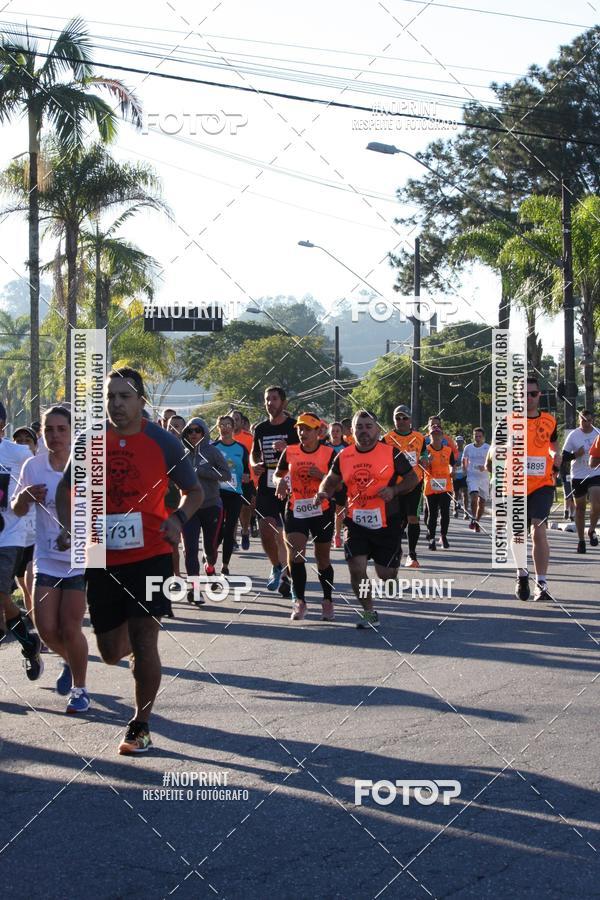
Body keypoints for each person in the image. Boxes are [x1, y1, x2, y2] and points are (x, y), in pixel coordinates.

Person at [56, 368, 203, 754]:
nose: (117, 404)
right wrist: (71, 529)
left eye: (125, 396)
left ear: (141, 401)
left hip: (151, 554)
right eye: (111, 397)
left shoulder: (164, 443)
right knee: (108, 651)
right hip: (101, 553)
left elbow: (194, 491)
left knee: (144, 639)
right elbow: (66, 490)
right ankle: (133, 650)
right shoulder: (90, 442)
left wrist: (178, 519)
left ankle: (140, 724)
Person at [13, 407, 90, 713]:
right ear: (42, 432)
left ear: (71, 431)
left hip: (79, 558)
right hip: (46, 557)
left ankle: (80, 690)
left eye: (61, 429)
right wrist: (26, 497)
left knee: (70, 628)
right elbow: (17, 510)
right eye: (49, 430)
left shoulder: (87, 466)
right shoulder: (33, 466)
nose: (55, 435)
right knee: (45, 628)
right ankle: (71, 660)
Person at [315, 410, 417, 628]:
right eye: (359, 427)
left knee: (385, 574)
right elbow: (331, 480)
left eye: (368, 426)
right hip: (356, 520)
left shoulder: (391, 453)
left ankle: (391, 574)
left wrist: (394, 490)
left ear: (377, 430)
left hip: (387, 522)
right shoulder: (344, 456)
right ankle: (369, 612)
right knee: (356, 566)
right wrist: (324, 492)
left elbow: (412, 478)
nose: (364, 431)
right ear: (351, 431)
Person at [492, 374, 561, 603]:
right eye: (523, 394)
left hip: (543, 483)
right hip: (515, 484)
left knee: (538, 530)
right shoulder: (508, 421)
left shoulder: (550, 420)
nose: (528, 398)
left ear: (539, 395)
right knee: (519, 534)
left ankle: (542, 583)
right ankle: (522, 573)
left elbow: (552, 444)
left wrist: (555, 454)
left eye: (532, 393)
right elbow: (493, 454)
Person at [274, 412, 336, 621]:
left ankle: (327, 600)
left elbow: (339, 482)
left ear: (318, 432)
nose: (302, 433)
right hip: (296, 508)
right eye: (300, 429)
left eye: (307, 429)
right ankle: (299, 601)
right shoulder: (290, 451)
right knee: (296, 555)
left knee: (322, 559)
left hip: (322, 509)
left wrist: (321, 477)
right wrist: (280, 482)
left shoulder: (329, 454)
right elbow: (277, 474)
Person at [0, 402, 42, 679]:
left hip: (9, 535)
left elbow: (47, 458)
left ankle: (28, 640)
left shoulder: (16, 452)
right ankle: (28, 641)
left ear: (2, 423)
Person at [251, 387, 299, 596]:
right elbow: (254, 453)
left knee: (288, 533)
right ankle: (276, 565)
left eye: (274, 399)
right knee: (265, 529)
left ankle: (289, 574)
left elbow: (306, 451)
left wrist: (287, 447)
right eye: (267, 399)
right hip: (267, 482)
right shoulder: (261, 428)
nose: (270, 403)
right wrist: (254, 465)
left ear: (283, 402)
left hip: (290, 483)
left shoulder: (295, 426)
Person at [181, 417, 230, 598]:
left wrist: (203, 472)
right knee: (190, 549)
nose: (193, 434)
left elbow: (225, 475)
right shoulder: (182, 453)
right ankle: (194, 588)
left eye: (197, 430)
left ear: (204, 432)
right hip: (189, 507)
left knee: (210, 548)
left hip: (211, 506)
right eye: (190, 431)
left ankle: (210, 566)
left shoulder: (212, 452)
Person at [383, 405, 426, 568]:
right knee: (397, 521)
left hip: (415, 483)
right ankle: (395, 551)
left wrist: (425, 459)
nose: (401, 421)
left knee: (412, 517)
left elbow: (423, 454)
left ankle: (412, 555)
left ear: (410, 420)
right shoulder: (387, 438)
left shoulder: (419, 437)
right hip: (395, 485)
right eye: (398, 418)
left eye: (404, 418)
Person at [213, 415, 251, 575]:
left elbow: (247, 472)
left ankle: (225, 565)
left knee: (230, 529)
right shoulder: (213, 447)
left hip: (235, 493)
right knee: (217, 528)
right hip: (217, 493)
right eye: (222, 425)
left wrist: (246, 477)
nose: (225, 427)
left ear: (233, 427)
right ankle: (211, 555)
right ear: (218, 427)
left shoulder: (241, 448)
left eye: (228, 424)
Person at [562, 410, 600, 553]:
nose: (587, 423)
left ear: (593, 420)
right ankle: (581, 540)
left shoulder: (598, 433)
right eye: (584, 420)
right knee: (580, 508)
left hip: (596, 473)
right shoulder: (573, 435)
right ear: (579, 420)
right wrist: (575, 454)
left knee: (597, 504)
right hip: (578, 475)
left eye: (589, 420)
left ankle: (591, 530)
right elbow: (564, 457)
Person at [12, 427, 38, 627]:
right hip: (16, 537)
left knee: (32, 583)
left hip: (38, 539)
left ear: (35, 446)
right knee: (24, 585)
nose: (22, 444)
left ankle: (43, 631)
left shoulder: (43, 468)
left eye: (27, 440)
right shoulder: (10, 470)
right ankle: (36, 625)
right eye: (18, 440)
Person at [423, 422, 456, 550]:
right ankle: (431, 538)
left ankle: (443, 536)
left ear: (442, 436)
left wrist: (452, 470)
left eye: (438, 434)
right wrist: (427, 461)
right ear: (430, 436)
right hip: (431, 485)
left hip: (445, 486)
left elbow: (453, 464)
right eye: (433, 434)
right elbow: (421, 466)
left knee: (445, 513)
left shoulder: (448, 450)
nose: (436, 436)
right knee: (432, 514)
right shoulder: (425, 450)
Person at [232, 410, 256, 550]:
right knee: (231, 510)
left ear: (242, 422)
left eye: (237, 419)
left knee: (245, 508)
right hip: (230, 480)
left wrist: (251, 476)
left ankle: (245, 531)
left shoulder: (249, 437)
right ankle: (232, 538)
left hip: (247, 479)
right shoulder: (222, 438)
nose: (234, 422)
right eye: (232, 419)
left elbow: (255, 458)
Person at [462, 427, 491, 533]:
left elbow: (493, 462)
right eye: (476, 436)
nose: (477, 438)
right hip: (472, 476)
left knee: (482, 502)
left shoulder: (488, 448)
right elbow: (464, 460)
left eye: (479, 436)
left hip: (484, 478)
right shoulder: (468, 448)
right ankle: (473, 517)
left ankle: (477, 522)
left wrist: (486, 467)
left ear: (483, 437)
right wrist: (465, 470)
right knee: (474, 497)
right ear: (473, 436)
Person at [328, 422, 347, 549]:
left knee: (339, 511)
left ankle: (337, 536)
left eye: (337, 431)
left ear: (341, 433)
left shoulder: (346, 447)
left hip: (341, 483)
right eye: (333, 431)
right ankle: (328, 536)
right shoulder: (324, 446)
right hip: (327, 483)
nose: (335, 433)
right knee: (327, 511)